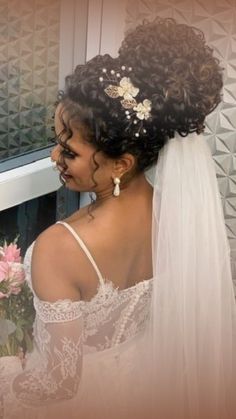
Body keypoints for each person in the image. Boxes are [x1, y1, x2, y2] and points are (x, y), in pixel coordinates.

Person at [1, 17, 236, 419]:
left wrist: (11, 373)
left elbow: (60, 384)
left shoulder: (60, 248)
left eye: (68, 151)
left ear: (121, 163)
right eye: (56, 144)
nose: (54, 157)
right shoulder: (174, 213)